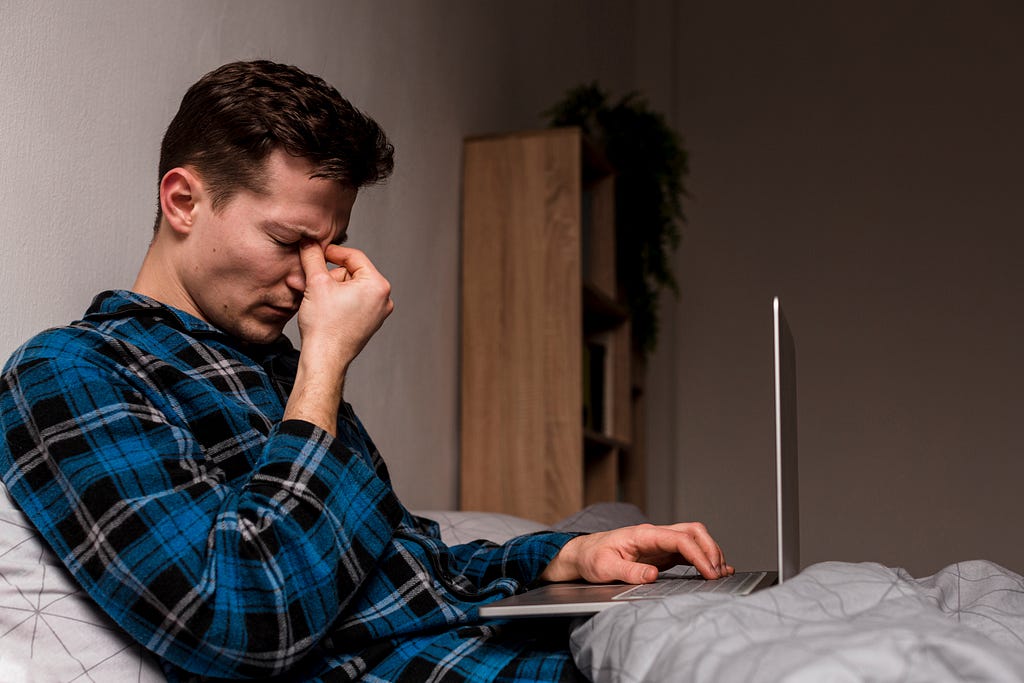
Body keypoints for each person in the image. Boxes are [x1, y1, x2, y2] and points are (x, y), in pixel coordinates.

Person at [0, 60, 732, 681]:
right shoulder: (71, 371)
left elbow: (404, 559)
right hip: (433, 669)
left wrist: (564, 556)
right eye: (290, 240)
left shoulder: (274, 361)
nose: (311, 279)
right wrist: (323, 366)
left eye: (330, 245)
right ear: (184, 200)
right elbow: (244, 617)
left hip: (487, 644)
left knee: (733, 619)